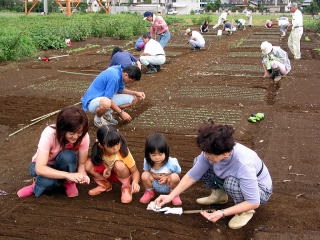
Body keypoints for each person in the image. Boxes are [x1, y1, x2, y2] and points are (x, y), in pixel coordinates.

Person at [155, 120, 273, 229]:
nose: (206, 155)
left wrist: (222, 213)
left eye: (209, 154)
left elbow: (254, 201)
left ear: (226, 154)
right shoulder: (212, 151)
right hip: (233, 178)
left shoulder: (243, 164)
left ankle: (244, 211)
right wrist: (170, 196)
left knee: (231, 183)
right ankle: (219, 195)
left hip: (259, 191)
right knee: (198, 162)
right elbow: (193, 175)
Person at [17, 105, 90, 198]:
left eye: (79, 133)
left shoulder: (83, 136)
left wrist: (82, 176)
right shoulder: (49, 134)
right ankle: (36, 185)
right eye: (71, 133)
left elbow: (82, 165)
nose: (76, 137)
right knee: (48, 182)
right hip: (43, 165)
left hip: (63, 164)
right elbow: (40, 168)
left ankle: (69, 183)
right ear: (62, 130)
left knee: (69, 156)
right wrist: (68, 175)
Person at [85, 125, 140, 203]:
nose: (116, 148)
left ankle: (126, 187)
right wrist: (107, 168)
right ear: (101, 145)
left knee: (119, 165)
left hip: (120, 173)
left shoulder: (123, 152)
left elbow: (135, 171)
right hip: (108, 173)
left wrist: (135, 182)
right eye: (111, 146)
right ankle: (105, 183)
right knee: (88, 165)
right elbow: (100, 161)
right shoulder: (99, 150)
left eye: (117, 143)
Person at [81, 65, 145, 128]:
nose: (130, 83)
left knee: (133, 98)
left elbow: (120, 90)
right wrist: (121, 113)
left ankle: (106, 113)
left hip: (104, 97)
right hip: (92, 101)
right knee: (107, 102)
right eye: (131, 81)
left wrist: (135, 93)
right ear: (126, 75)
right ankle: (98, 119)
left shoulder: (120, 72)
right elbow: (108, 98)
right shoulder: (114, 77)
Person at [139, 133, 182, 205]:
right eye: (153, 155)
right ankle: (150, 192)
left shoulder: (172, 162)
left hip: (168, 184)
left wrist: (167, 176)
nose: (157, 157)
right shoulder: (147, 161)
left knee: (175, 177)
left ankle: (174, 193)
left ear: (166, 152)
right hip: (155, 184)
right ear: (148, 154)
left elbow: (178, 173)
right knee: (144, 175)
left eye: (160, 154)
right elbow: (147, 171)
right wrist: (154, 175)